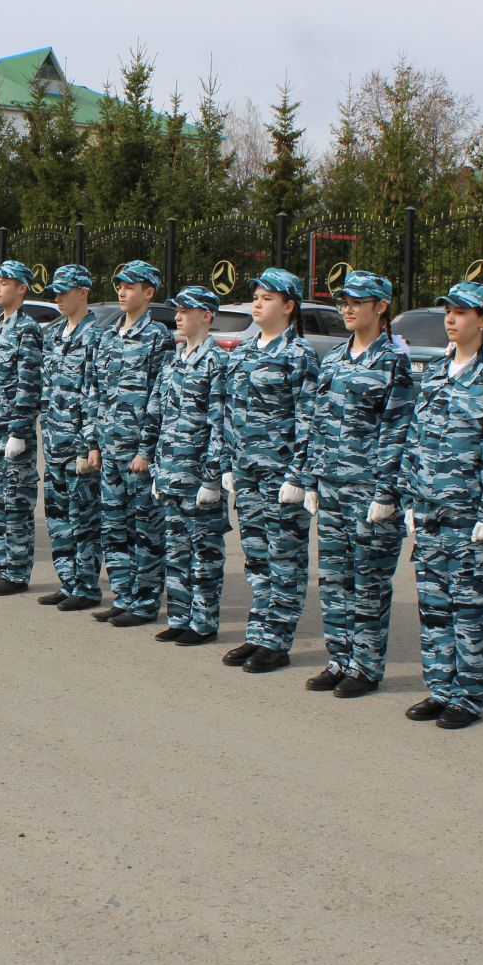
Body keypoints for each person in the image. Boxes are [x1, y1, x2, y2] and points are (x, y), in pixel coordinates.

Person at [401, 281, 483, 730]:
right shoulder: (434, 371)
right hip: (430, 512)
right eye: (448, 311)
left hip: (470, 515)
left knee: (471, 610)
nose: (451, 319)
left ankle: (468, 696)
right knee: (433, 606)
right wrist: (410, 497)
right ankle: (439, 688)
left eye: (462, 312)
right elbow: (414, 438)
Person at [302, 269, 415, 697]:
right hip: (331, 487)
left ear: (381, 307)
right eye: (343, 303)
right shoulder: (333, 358)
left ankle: (365, 666)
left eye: (357, 302)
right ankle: (339, 658)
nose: (347, 309)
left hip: (369, 491)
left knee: (367, 581)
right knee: (332, 578)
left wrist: (388, 492)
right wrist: (311, 477)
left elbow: (397, 431)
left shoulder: (394, 363)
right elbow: (315, 423)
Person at [221, 268, 318, 674]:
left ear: (289, 307)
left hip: (280, 479)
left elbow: (308, 420)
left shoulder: (300, 356)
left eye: (268, 298)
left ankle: (277, 641)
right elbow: (228, 412)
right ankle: (259, 633)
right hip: (247, 475)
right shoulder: (243, 352)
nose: (257, 304)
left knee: (284, 559)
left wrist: (299, 477)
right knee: (256, 558)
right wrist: (228, 463)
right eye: (256, 297)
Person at [87, 260, 175, 628]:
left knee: (145, 530)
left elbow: (161, 398)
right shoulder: (107, 337)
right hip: (109, 450)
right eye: (119, 285)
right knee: (113, 528)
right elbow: (95, 392)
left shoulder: (158, 337)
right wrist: (92, 442)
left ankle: (145, 601)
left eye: (131, 286)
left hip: (138, 455)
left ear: (149, 293)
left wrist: (146, 451)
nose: (122, 292)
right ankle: (123, 595)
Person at [149, 285, 230, 645]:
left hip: (198, 477)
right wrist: (156, 466)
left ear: (207, 316)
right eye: (177, 310)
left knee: (204, 554)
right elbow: (160, 416)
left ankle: (203, 621)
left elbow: (219, 424)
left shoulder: (216, 362)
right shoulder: (175, 359)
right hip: (171, 472)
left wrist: (212, 479)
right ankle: (180, 616)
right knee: (176, 551)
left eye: (186, 310)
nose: (178, 316)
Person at [0, 259, 45, 596]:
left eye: (5, 282)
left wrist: (18, 430)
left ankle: (17, 572)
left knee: (15, 502)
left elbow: (29, 384)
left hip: (12, 434)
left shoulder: (27, 330)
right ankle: (2, 564)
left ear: (22, 288)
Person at [37, 264, 104, 611]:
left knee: (85, 519)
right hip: (54, 442)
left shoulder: (97, 338)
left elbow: (96, 394)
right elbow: (46, 391)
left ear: (83, 292)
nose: (58, 297)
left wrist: (88, 443)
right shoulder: (53, 334)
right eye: (55, 291)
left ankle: (87, 586)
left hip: (78, 446)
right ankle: (68, 581)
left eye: (65, 291)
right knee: (58, 517)